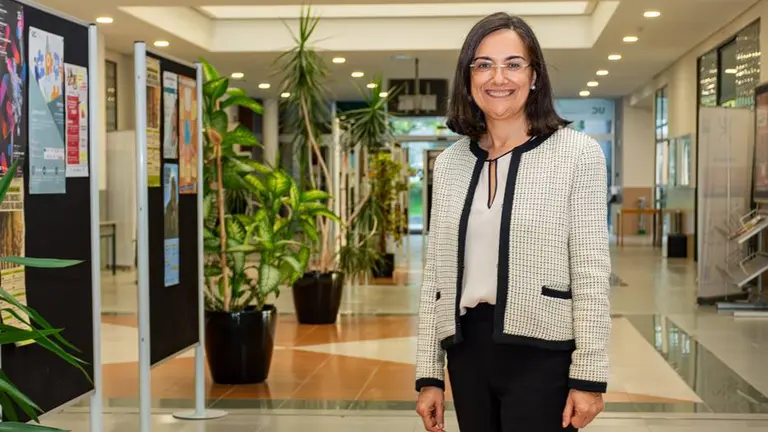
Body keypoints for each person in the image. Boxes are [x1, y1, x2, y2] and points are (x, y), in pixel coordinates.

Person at [414, 12, 612, 432]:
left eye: (513, 64)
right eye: (483, 64)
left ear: (534, 75)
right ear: (468, 78)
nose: (497, 77)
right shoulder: (449, 163)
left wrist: (590, 375)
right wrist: (429, 374)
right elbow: (436, 275)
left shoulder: (578, 154)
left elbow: (592, 271)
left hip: (544, 353)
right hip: (467, 351)